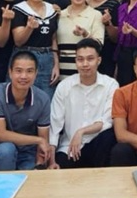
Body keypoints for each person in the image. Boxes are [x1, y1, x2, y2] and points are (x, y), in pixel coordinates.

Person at [49, 38, 119, 169]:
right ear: (75, 61)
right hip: (70, 147)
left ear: (99, 60)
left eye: (90, 59)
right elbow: (55, 125)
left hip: (98, 146)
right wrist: (52, 161)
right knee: (61, 167)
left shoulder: (110, 85)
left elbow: (107, 122)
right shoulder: (64, 86)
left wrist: (82, 131)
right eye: (80, 59)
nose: (85, 64)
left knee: (109, 136)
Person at [0, 50, 53, 170]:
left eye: (29, 71)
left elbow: (44, 138)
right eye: (18, 71)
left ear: (36, 73)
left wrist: (40, 162)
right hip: (2, 149)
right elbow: (1, 135)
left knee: (31, 176)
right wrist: (38, 140)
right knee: (7, 149)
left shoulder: (43, 98)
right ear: (10, 72)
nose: (24, 76)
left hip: (29, 151)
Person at [11, 0, 60, 96]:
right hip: (25, 57)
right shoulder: (19, 9)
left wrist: (56, 64)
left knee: (46, 98)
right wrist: (29, 28)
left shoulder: (52, 9)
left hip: (47, 58)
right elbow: (18, 41)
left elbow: (53, 38)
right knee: (22, 96)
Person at [57, 0, 104, 81]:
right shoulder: (60, 15)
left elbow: (99, 45)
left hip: (85, 72)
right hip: (61, 72)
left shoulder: (95, 15)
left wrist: (85, 34)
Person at [88, 0, 120, 77]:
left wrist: (108, 24)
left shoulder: (113, 4)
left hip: (106, 53)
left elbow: (116, 38)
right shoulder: (81, 1)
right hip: (83, 50)